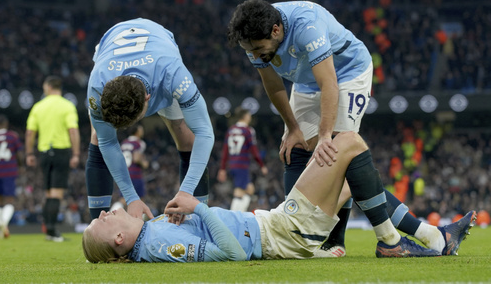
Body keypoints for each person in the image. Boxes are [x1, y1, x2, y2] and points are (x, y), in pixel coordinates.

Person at [226, 0, 451, 258]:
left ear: (276, 31)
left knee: (337, 151)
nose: (254, 55)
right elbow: (273, 85)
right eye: (249, 51)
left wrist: (323, 136)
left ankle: (343, 241)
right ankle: (297, 233)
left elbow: (329, 83)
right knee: (294, 149)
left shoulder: (306, 27)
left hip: (346, 74)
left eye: (257, 49)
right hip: (306, 81)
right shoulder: (253, 36)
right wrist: (293, 128)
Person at [82, 131, 477, 263]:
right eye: (102, 221)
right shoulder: (158, 245)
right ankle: (395, 243)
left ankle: (434, 237)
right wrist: (198, 206)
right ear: (119, 240)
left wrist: (187, 216)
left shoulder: (150, 237)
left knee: (352, 180)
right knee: (349, 143)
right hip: (280, 230)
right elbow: (233, 255)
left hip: (277, 228)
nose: (105, 213)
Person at [86, 18, 214, 223]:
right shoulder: (98, 85)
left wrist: (185, 192)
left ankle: (198, 222)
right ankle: (96, 227)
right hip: (110, 44)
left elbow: (205, 132)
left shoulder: (173, 74)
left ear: (149, 99)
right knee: (97, 136)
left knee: (187, 137)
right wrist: (131, 198)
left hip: (159, 45)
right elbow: (108, 141)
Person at [25, 75, 81, 242]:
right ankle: (51, 230)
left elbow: (30, 133)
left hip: (44, 153)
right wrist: (76, 153)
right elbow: (73, 130)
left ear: (48, 87)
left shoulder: (38, 107)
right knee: (57, 194)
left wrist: (29, 153)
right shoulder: (67, 106)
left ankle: (49, 229)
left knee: (49, 193)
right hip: (61, 151)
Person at [217, 107, 268, 211]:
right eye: (249, 115)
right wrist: (262, 165)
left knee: (250, 189)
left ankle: (240, 214)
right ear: (245, 116)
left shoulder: (230, 130)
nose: (250, 117)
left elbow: (225, 151)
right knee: (239, 191)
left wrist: (222, 168)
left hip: (232, 164)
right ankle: (234, 217)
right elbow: (254, 150)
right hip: (242, 165)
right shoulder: (248, 130)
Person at [110, 124, 150, 212]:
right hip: (135, 174)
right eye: (141, 129)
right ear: (137, 132)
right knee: (140, 198)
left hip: (124, 174)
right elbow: (136, 158)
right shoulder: (139, 143)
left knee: (123, 198)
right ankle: (140, 221)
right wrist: (144, 163)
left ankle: (113, 212)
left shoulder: (124, 142)